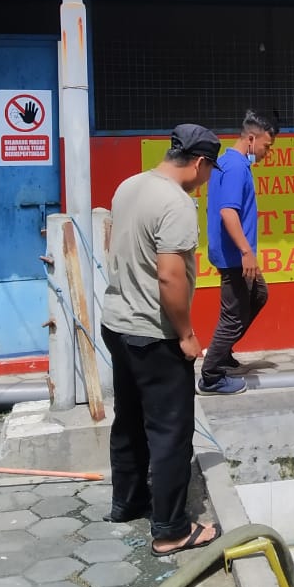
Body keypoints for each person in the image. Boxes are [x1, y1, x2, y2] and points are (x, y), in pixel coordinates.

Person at [100, 122, 223, 556]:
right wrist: (186, 334)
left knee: (130, 419)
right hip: (154, 334)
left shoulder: (129, 186)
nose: (206, 180)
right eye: (208, 171)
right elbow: (170, 276)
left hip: (117, 325)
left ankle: (127, 502)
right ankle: (170, 530)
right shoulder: (176, 203)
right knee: (171, 430)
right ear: (200, 162)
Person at [197, 108, 280, 395]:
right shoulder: (235, 168)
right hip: (234, 256)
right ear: (251, 139)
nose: (267, 153)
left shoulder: (227, 162)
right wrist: (246, 252)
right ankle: (211, 376)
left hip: (231, 253)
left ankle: (222, 354)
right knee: (232, 317)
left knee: (258, 295)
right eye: (267, 146)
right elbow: (228, 212)